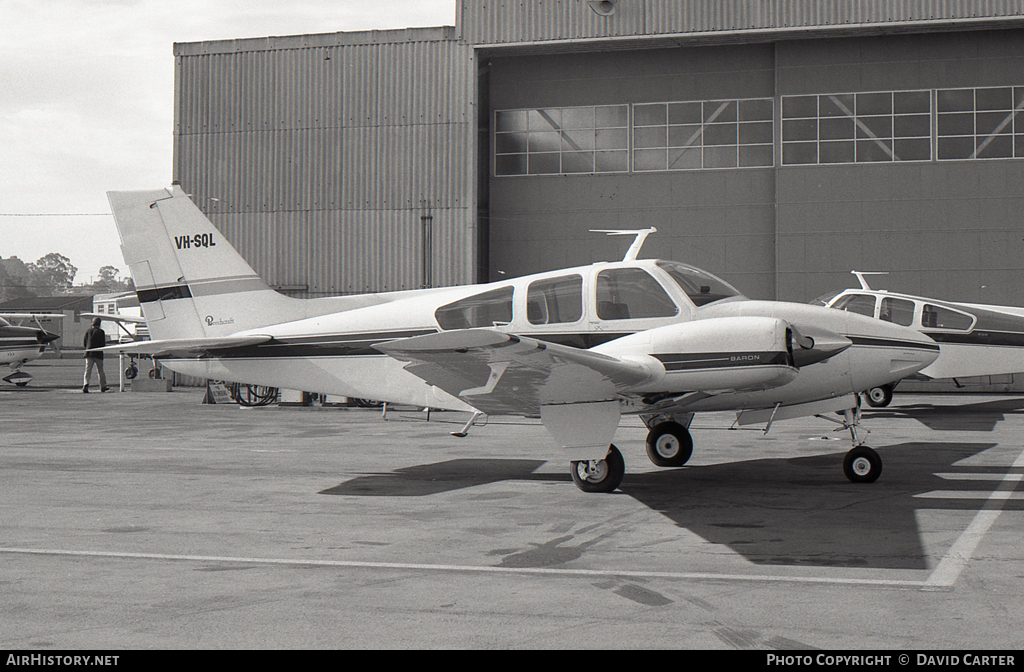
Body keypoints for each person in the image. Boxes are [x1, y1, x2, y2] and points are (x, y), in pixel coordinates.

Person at [82, 317, 109, 393]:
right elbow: (103, 344)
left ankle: (86, 384)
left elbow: (84, 343)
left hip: (89, 353)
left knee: (88, 370)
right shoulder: (101, 332)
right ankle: (103, 386)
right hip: (98, 354)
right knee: (100, 370)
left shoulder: (88, 331)